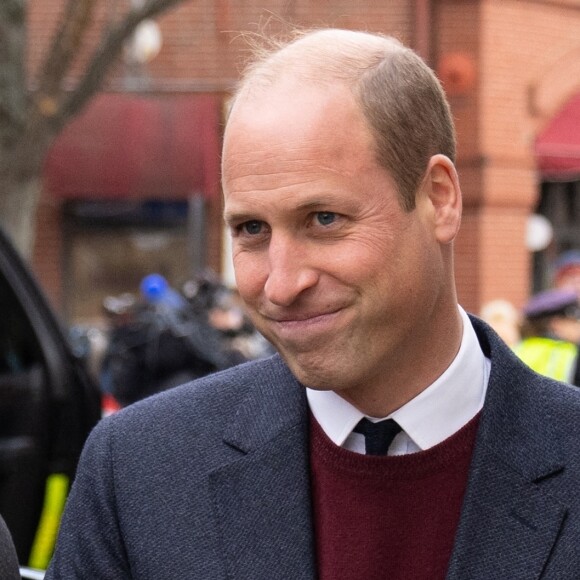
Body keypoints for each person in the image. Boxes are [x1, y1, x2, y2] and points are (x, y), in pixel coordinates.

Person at [45, 29, 580, 579]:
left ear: (438, 199)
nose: (281, 284)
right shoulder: (140, 471)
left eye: (324, 220)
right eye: (252, 229)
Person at [515, 287, 580, 386]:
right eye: (574, 321)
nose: (577, 326)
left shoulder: (518, 348)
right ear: (557, 324)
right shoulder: (569, 352)